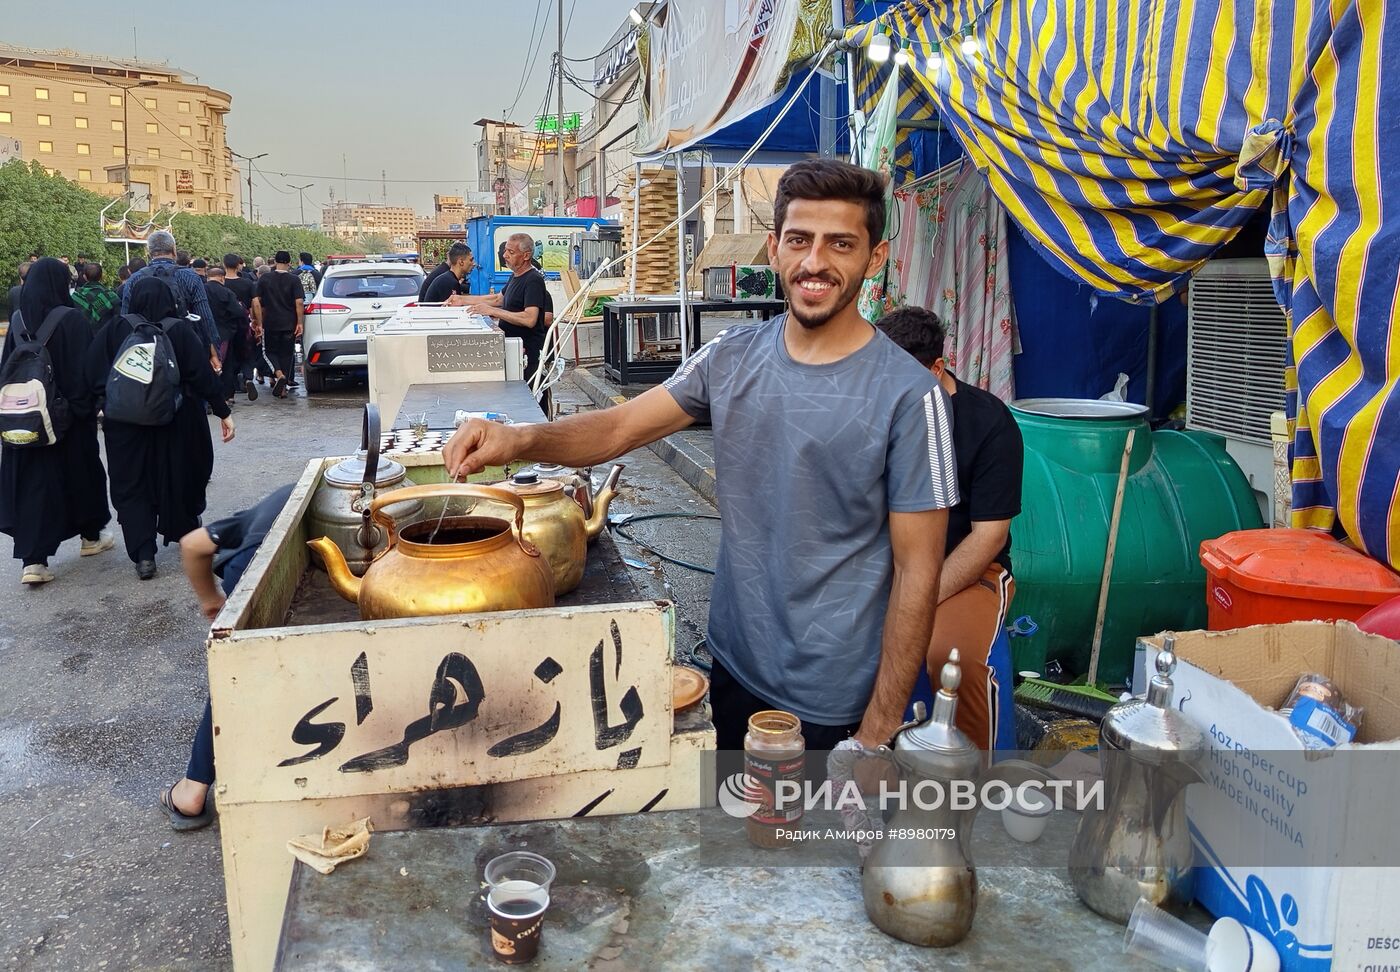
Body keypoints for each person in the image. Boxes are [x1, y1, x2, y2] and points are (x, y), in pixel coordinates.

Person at [443, 159, 959, 754]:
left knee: (817, 844)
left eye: (840, 244)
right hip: (735, 665)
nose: (815, 262)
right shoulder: (731, 357)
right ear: (774, 248)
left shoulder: (908, 396)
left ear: (875, 257)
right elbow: (618, 429)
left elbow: (919, 576)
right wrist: (520, 438)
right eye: (799, 240)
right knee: (734, 828)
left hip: (835, 701)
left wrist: (875, 735)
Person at [877, 305, 1024, 750]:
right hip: (886, 564)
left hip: (964, 573)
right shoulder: (878, 413)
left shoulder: (989, 423)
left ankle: (978, 784)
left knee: (952, 659)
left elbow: (989, 536)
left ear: (937, 368)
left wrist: (917, 594)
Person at [159, 483, 294, 829]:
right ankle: (194, 788)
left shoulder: (276, 500)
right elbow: (190, 544)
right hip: (258, 572)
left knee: (243, 669)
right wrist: (213, 602)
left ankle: (194, 787)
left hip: (250, 569)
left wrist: (211, 600)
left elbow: (192, 545)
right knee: (243, 669)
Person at [89, 277, 235, 580]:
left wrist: (103, 402)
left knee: (132, 484)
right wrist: (223, 411)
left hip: (124, 425)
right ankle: (187, 537)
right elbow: (201, 376)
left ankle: (143, 555)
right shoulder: (179, 329)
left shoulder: (116, 329)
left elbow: (91, 370)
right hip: (175, 421)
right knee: (177, 477)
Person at [0, 258, 115, 585]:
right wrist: (89, 406)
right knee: (81, 475)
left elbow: (7, 367)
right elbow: (86, 369)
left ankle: (34, 561)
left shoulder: (18, 320)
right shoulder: (71, 318)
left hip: (25, 418)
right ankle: (91, 537)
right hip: (67, 419)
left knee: (33, 486)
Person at [121, 231, 221, 373]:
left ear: (149, 252)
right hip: (185, 346)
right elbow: (204, 318)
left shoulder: (134, 279)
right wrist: (214, 352)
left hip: (146, 351)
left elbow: (126, 318)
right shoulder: (190, 277)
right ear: (174, 251)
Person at [455, 233, 548, 384]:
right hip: (513, 352)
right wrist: (461, 300)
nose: (505, 255)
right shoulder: (515, 276)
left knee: (531, 401)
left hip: (527, 356)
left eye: (511, 252)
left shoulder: (533, 280)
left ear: (526, 255)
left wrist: (493, 311)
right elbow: (497, 299)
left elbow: (530, 318)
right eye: (505, 250)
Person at [253, 250, 303, 398]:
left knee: (269, 352)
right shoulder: (294, 280)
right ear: (289, 262)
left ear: (275, 262)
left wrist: (259, 322)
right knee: (287, 354)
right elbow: (299, 302)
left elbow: (256, 301)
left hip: (271, 322)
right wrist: (300, 322)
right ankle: (283, 387)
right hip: (289, 323)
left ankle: (279, 375)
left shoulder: (265, 278)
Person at [204, 265, 253, 403]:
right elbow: (239, 312)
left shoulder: (200, 290)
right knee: (226, 365)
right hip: (224, 333)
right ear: (221, 277)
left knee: (207, 364)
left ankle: (209, 397)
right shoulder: (226, 292)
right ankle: (226, 396)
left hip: (204, 333)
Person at [222, 255, 260, 400]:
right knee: (248, 353)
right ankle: (248, 377)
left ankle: (230, 394)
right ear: (239, 265)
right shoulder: (247, 283)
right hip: (244, 323)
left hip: (226, 325)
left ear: (224, 265)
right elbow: (255, 303)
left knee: (229, 358)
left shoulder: (221, 283)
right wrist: (258, 322)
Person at [71, 262, 119, 329]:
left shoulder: (76, 296)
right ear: (102, 276)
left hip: (83, 335)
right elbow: (118, 319)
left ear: (84, 276)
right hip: (106, 336)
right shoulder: (111, 296)